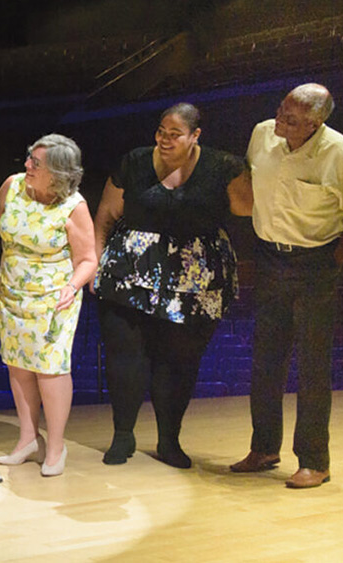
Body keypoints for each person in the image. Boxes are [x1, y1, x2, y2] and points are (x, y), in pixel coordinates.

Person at [93, 103, 251, 469]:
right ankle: (123, 436)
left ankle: (169, 441)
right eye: (161, 131)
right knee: (125, 357)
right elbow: (105, 214)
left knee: (178, 363)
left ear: (196, 135)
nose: (164, 139)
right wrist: (97, 266)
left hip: (195, 282)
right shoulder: (134, 161)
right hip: (129, 274)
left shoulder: (222, 166)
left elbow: (249, 207)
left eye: (174, 134)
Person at [230, 84, 343, 488]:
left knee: (311, 366)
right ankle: (264, 448)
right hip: (270, 257)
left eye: (290, 119)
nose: (279, 120)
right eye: (280, 110)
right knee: (265, 361)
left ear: (316, 122)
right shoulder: (263, 134)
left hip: (316, 263)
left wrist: (331, 263)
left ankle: (314, 460)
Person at [0, 134, 96, 477]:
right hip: (12, 294)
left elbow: (87, 259)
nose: (27, 166)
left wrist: (72, 286)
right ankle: (27, 439)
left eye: (36, 163)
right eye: (29, 159)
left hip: (54, 300)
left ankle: (55, 446)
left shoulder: (73, 206)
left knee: (49, 370)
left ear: (58, 172)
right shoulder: (13, 186)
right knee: (18, 365)